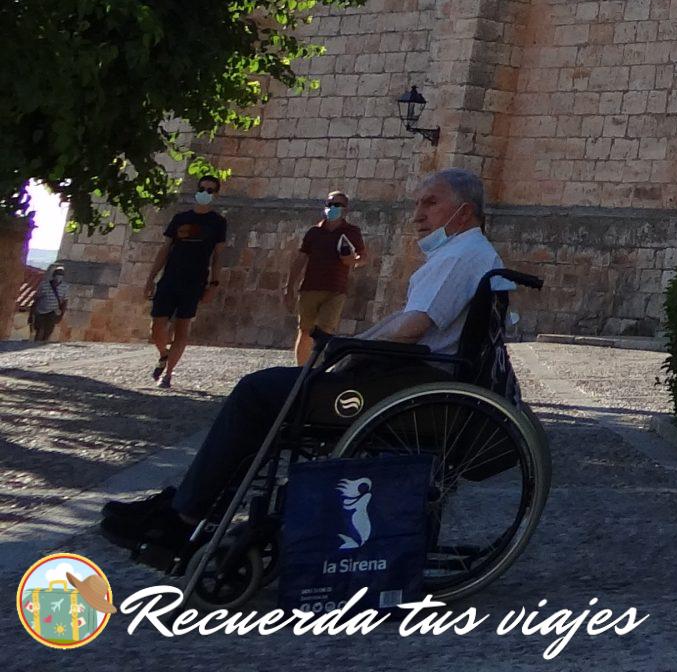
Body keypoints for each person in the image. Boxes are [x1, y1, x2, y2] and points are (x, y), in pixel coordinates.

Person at [100, 168, 503, 562]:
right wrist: (350, 344)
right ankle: (192, 508)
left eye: (430, 203)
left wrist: (347, 353)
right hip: (409, 379)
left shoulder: (461, 255)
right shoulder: (463, 253)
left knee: (258, 393)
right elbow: (403, 322)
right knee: (274, 391)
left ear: (463, 212)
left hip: (411, 386)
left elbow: (412, 329)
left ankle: (183, 516)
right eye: (418, 203)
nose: (417, 214)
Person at [143, 175, 229, 388]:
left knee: (183, 327)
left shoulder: (218, 223)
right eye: (202, 189)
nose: (205, 193)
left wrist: (214, 284)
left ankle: (168, 374)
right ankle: (164, 354)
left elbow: (218, 256)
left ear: (215, 194)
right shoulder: (180, 218)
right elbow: (165, 249)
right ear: (196, 190)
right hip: (170, 277)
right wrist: (150, 278)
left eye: (210, 190)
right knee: (157, 326)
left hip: (195, 281)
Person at [287, 188, 368, 364]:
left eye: (337, 205)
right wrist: (289, 287)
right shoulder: (314, 232)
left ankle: (317, 369)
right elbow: (300, 259)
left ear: (345, 209)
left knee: (325, 332)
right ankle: (300, 370)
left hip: (336, 289)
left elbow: (363, 258)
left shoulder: (352, 232)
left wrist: (352, 261)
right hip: (310, 287)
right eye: (329, 204)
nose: (332, 208)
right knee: (305, 331)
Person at [25, 263, 70, 342]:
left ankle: (43, 346)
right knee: (39, 329)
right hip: (40, 311)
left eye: (61, 274)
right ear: (53, 275)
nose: (59, 276)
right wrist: (31, 314)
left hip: (53, 312)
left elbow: (65, 301)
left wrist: (61, 314)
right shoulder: (44, 285)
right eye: (58, 274)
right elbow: (37, 298)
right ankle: (35, 345)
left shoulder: (65, 287)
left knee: (48, 331)